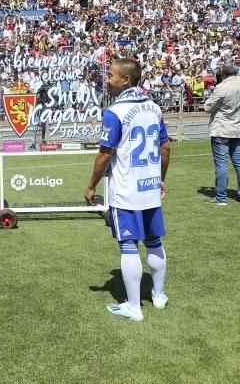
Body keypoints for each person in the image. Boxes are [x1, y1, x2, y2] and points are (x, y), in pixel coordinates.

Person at [85, 58, 171, 322]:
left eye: (111, 75)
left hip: (126, 189)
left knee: (128, 244)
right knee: (154, 241)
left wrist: (91, 186)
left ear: (126, 79)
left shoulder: (115, 111)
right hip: (149, 187)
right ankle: (158, 295)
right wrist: (160, 179)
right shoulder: (154, 107)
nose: (107, 80)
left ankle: (134, 306)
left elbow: (104, 155)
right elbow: (165, 147)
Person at [203, 62, 240, 206]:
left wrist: (212, 94)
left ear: (223, 74)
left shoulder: (221, 88)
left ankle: (221, 197)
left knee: (221, 164)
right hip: (239, 129)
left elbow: (208, 107)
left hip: (222, 129)